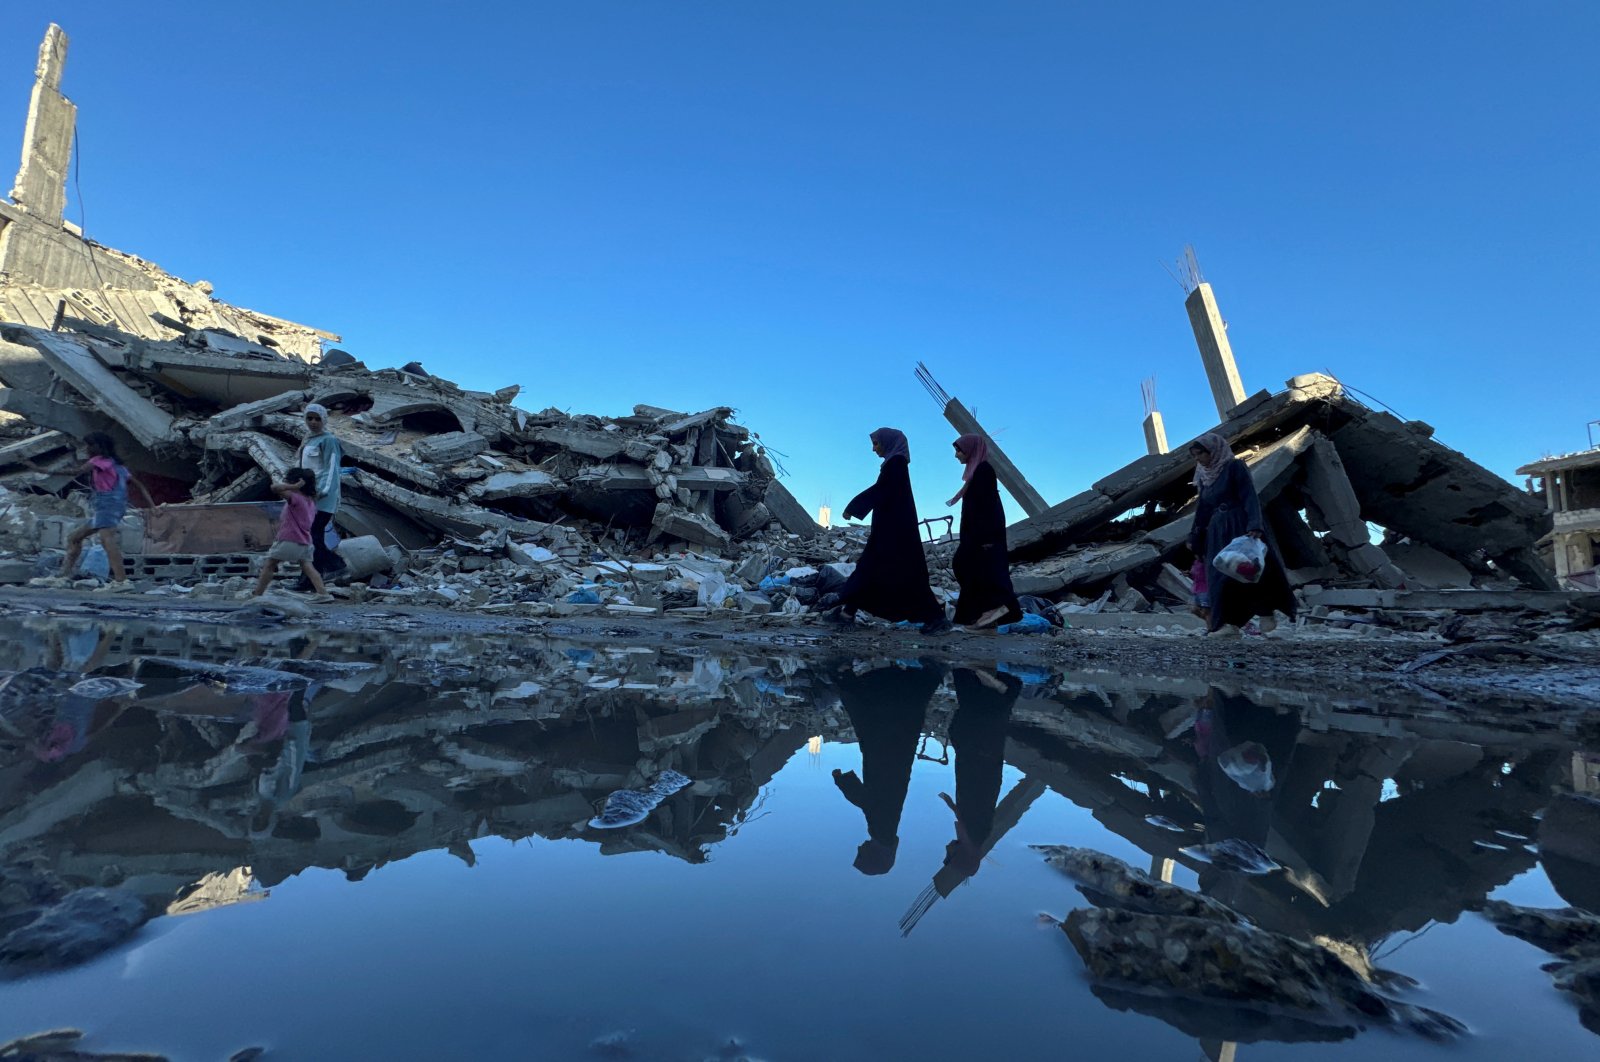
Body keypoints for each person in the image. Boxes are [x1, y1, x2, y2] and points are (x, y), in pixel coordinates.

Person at [829, 428, 950, 635]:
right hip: (891, 531)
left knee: (903, 575)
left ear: (888, 442)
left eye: (876, 444)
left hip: (895, 534)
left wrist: (854, 507)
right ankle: (847, 611)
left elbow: (882, 490)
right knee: (870, 569)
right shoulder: (894, 464)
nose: (874, 449)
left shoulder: (896, 464)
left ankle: (937, 618)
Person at [829, 659, 945, 875]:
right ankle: (844, 673)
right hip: (882, 760)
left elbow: (868, 802)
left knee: (899, 722)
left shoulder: (887, 832)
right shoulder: (881, 831)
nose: (859, 847)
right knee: (870, 716)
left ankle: (927, 675)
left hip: (891, 762)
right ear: (873, 854)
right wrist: (842, 780)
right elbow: (866, 801)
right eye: (861, 853)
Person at [1186, 433, 1295, 637]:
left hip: (1239, 524)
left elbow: (1249, 495)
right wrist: (1195, 535)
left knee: (1249, 571)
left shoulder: (1234, 467)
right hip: (1217, 531)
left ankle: (1265, 612)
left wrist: (1254, 524)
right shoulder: (1203, 476)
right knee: (1218, 576)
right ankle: (1225, 626)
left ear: (1213, 451)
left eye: (1200, 453)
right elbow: (1203, 508)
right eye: (1194, 455)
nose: (1198, 458)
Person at [33, 432, 133, 592]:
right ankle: (63, 576)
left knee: (107, 540)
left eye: (90, 445)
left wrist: (44, 470)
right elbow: (136, 484)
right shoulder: (117, 465)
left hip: (107, 506)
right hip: (114, 506)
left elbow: (76, 471)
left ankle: (122, 581)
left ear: (100, 447)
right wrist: (153, 506)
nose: (87, 448)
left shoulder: (98, 461)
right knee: (74, 538)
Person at [946, 434, 1022, 629]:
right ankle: (980, 616)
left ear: (971, 449)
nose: (956, 455)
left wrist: (986, 539)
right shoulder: (976, 472)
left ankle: (994, 609)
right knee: (971, 570)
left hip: (983, 536)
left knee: (970, 568)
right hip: (977, 535)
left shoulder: (983, 471)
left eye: (959, 450)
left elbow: (988, 507)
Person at [246, 468, 332, 601]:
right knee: (308, 566)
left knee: (270, 563)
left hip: (289, 538)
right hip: (305, 541)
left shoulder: (296, 498)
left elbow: (274, 488)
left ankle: (257, 594)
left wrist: (293, 487)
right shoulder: (310, 500)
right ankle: (323, 593)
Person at [294, 403, 345, 581]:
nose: (313, 422)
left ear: (323, 419)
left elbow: (331, 469)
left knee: (313, 535)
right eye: (310, 418)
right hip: (309, 495)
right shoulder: (309, 439)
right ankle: (333, 567)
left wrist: (321, 490)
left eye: (317, 419)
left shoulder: (329, 440)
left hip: (323, 496)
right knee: (312, 536)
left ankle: (310, 578)